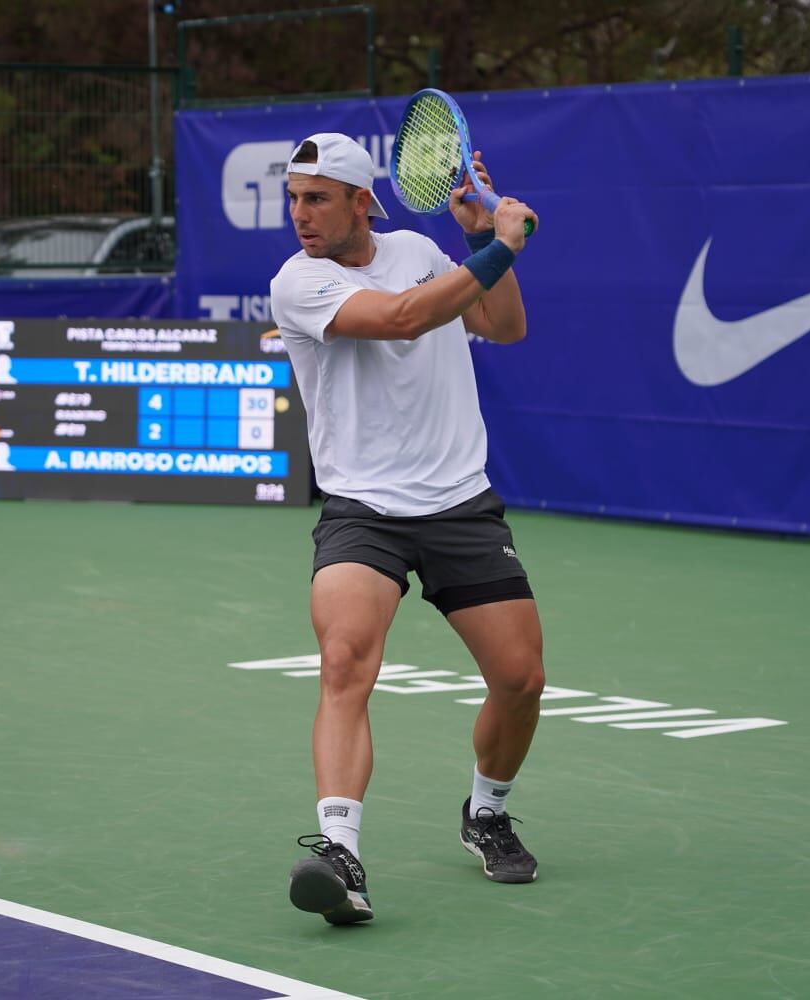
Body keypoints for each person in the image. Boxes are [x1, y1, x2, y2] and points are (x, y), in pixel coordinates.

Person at [268, 132, 545, 926]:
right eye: (294, 198)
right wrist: (501, 246)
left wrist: (482, 241)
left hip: (460, 500)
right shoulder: (300, 282)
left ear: (363, 201)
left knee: (521, 681)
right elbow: (399, 319)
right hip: (363, 508)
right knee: (344, 659)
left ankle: (486, 811)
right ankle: (340, 853)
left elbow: (504, 327)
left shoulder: (423, 248)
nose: (301, 215)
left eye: (317, 198)